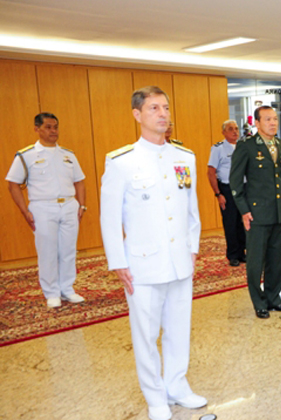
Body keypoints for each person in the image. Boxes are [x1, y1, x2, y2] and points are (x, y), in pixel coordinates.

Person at [100, 86, 206, 420]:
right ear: (137, 115)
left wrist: (193, 248)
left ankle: (177, 384)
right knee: (145, 334)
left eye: (165, 108)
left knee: (178, 328)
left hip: (179, 261)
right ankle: (155, 397)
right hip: (142, 264)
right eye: (153, 108)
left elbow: (191, 210)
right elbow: (109, 216)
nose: (162, 114)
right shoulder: (121, 161)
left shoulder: (183, 157)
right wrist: (118, 261)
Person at [6, 113, 87, 308]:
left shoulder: (68, 155)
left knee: (68, 250)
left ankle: (67, 289)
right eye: (49, 127)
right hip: (43, 207)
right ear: (37, 129)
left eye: (56, 127)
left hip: (68, 205)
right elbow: (13, 184)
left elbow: (80, 181)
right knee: (47, 251)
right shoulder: (26, 155)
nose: (53, 131)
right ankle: (51, 292)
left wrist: (82, 205)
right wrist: (25, 211)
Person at [229, 105, 281, 319]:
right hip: (256, 213)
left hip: (276, 212)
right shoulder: (246, 146)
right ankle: (259, 302)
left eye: (275, 119)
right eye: (267, 119)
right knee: (256, 261)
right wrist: (244, 211)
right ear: (257, 123)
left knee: (276, 259)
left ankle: (274, 299)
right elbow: (235, 182)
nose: (273, 123)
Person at [208, 119, 245, 266]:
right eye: (230, 129)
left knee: (243, 222)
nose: (235, 131)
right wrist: (218, 194)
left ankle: (242, 252)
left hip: (244, 188)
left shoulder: (243, 146)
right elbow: (211, 172)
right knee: (230, 223)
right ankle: (233, 255)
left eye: (236, 128)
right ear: (223, 132)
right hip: (227, 189)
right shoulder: (218, 148)